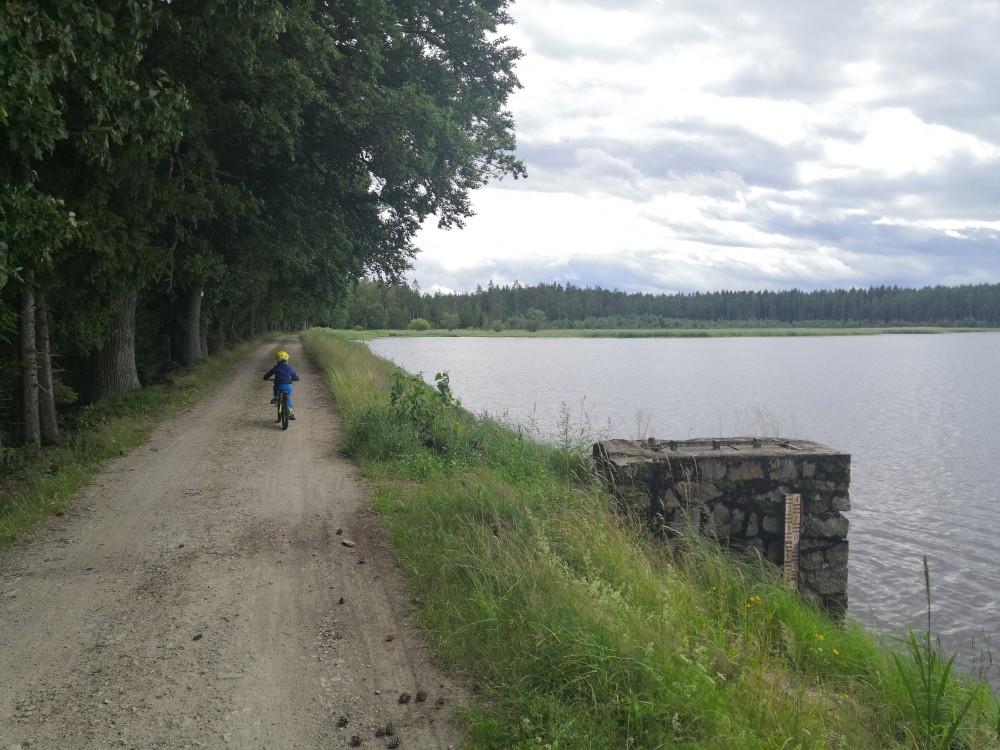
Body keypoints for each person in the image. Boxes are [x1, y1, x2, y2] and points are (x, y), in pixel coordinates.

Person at [263, 350, 300, 419]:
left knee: (275, 387)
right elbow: (295, 376)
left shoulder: (276, 367)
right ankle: (291, 413)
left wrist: (265, 378)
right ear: (287, 360)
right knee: (288, 398)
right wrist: (296, 378)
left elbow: (268, 374)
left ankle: (276, 397)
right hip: (287, 386)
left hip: (278, 386)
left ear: (277, 360)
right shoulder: (289, 368)